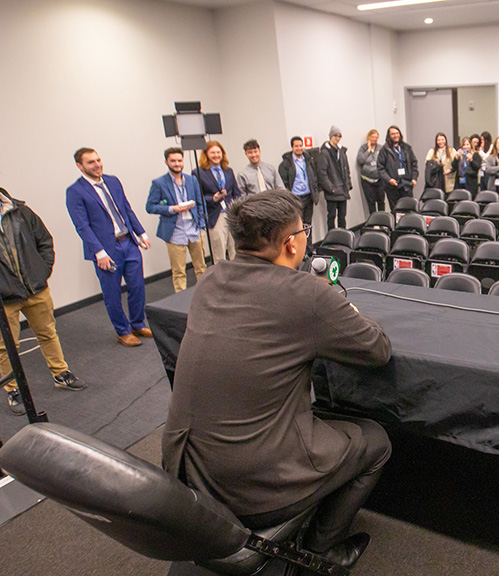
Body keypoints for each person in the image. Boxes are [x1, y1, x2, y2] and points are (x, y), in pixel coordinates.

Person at [162, 189, 392, 569]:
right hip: (254, 485)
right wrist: (338, 302)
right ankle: (319, 552)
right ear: (291, 243)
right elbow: (377, 349)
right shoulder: (306, 294)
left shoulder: (210, 279)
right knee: (376, 441)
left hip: (188, 470)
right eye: (303, 230)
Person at [0, 161, 84, 414]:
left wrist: (42, 271)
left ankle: (60, 373)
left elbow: (44, 241)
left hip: (35, 289)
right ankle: (12, 388)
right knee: (6, 345)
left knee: (48, 333)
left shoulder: (20, 210)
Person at [66, 147, 152, 347]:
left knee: (138, 286)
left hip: (128, 243)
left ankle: (137, 324)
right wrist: (99, 252)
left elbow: (126, 209)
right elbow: (82, 226)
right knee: (112, 293)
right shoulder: (75, 192)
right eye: (90, 162)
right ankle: (123, 331)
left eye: (98, 160)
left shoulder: (112, 181)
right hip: (106, 251)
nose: (97, 165)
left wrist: (141, 233)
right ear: (80, 166)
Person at [146, 147, 207, 293]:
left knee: (201, 267)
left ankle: (205, 295)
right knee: (179, 271)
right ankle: (181, 301)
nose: (177, 164)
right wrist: (172, 209)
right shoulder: (159, 183)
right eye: (173, 161)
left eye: (179, 160)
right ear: (166, 162)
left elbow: (200, 203)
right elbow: (150, 207)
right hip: (175, 232)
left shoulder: (192, 180)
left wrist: (202, 226)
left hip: (194, 230)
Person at [194, 141, 242, 264]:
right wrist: (213, 199)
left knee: (235, 248)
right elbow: (197, 197)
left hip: (231, 213)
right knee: (219, 250)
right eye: (213, 152)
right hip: (215, 215)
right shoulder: (199, 173)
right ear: (206, 154)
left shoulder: (228, 171)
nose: (216, 155)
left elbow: (236, 192)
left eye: (218, 152)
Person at [278, 136, 320, 229]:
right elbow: (284, 183)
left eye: (301, 146)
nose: (299, 148)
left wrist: (315, 191)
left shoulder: (308, 160)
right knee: (298, 225)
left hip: (308, 196)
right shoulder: (286, 164)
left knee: (308, 224)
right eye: (296, 146)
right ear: (292, 148)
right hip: (296, 198)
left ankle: (309, 244)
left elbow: (314, 177)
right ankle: (301, 244)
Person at [317, 126, 352, 231]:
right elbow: (322, 173)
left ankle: (343, 238)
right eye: (335, 135)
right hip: (332, 192)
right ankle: (332, 239)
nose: (337, 138)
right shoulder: (324, 153)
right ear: (331, 136)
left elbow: (347, 169)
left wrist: (348, 184)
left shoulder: (341, 152)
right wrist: (330, 188)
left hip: (343, 190)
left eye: (339, 136)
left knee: (342, 217)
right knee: (331, 217)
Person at [377, 125, 418, 211]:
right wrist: (389, 179)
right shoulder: (384, 150)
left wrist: (414, 179)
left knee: (409, 209)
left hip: (406, 184)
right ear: (389, 136)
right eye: (393, 134)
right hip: (392, 186)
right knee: (396, 211)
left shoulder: (407, 148)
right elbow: (380, 168)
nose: (396, 135)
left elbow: (414, 163)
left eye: (397, 133)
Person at [356, 130, 385, 213]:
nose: (374, 139)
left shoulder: (380, 148)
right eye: (372, 137)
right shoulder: (363, 148)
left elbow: (385, 161)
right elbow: (360, 161)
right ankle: (374, 223)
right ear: (368, 137)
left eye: (376, 137)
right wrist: (368, 150)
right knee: (371, 202)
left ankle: (382, 222)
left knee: (381, 201)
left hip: (379, 179)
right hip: (367, 180)